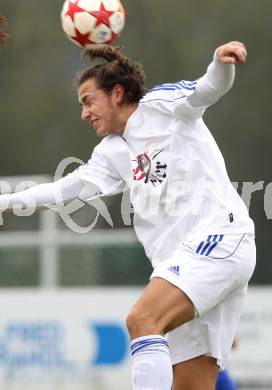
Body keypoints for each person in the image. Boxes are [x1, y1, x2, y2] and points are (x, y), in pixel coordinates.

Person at [0, 42, 256, 389]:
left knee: (143, 319)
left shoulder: (162, 106)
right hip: (190, 262)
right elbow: (64, 191)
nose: (84, 113)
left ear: (117, 93)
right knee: (190, 383)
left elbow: (208, 88)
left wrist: (220, 62)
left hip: (219, 240)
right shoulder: (112, 153)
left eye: (88, 100)